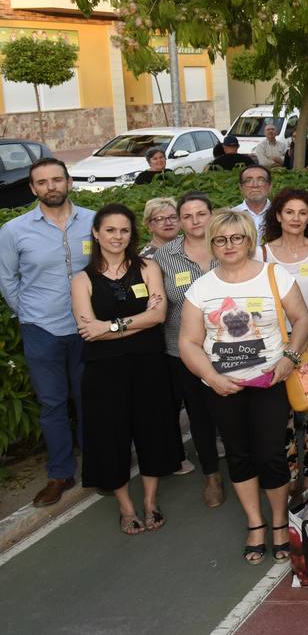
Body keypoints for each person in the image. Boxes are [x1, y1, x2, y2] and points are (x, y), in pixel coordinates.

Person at [178, 211, 308, 565]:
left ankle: (279, 522)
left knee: (270, 452)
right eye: (221, 240)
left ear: (249, 240)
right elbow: (189, 342)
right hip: (223, 387)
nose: (229, 245)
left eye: (236, 238)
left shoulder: (274, 275)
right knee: (238, 454)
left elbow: (301, 318)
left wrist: (290, 357)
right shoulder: (202, 288)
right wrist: (213, 378)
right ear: (212, 245)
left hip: (270, 380)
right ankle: (256, 523)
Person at [71, 203, 181, 535]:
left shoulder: (147, 267)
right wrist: (134, 323)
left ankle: (149, 501)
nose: (117, 237)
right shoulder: (82, 279)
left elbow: (158, 316)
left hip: (149, 365)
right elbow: (87, 328)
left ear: (132, 234)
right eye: (110, 230)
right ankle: (126, 506)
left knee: (152, 430)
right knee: (110, 436)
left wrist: (112, 326)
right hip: (103, 371)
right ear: (96, 233)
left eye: (124, 230)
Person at [0, 158, 95, 506]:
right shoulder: (14, 231)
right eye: (42, 182)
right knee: (53, 403)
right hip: (42, 328)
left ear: (69, 182)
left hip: (89, 328)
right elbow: (8, 279)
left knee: (89, 398)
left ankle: (97, 464)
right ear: (32, 188)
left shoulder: (93, 221)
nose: (51, 187)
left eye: (57, 180)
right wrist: (26, 313)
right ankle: (60, 473)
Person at [259, 188, 308, 491]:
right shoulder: (263, 254)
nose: (296, 218)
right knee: (281, 416)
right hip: (276, 344)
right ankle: (289, 480)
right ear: (278, 215)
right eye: (289, 212)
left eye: (302, 213)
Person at [155, 192, 225, 507]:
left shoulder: (229, 245)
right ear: (179, 221)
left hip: (230, 346)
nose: (195, 221)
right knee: (199, 415)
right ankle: (211, 475)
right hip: (182, 350)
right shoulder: (163, 256)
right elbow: (156, 302)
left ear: (212, 214)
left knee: (233, 413)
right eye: (187, 216)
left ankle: (244, 469)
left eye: (201, 213)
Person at [234, 165, 273, 232]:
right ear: (241, 187)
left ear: (270, 186)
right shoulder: (233, 215)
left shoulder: (280, 213)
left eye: (261, 180)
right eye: (248, 181)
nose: (255, 185)